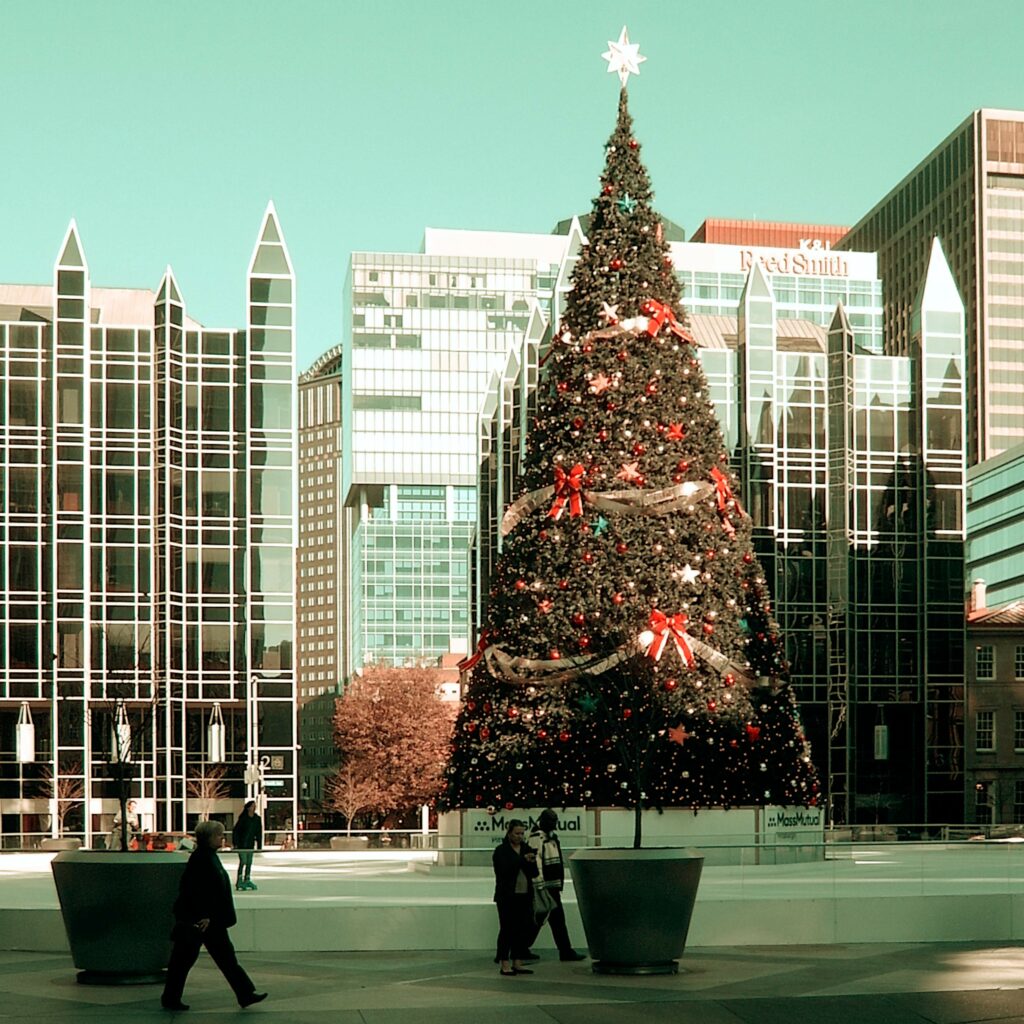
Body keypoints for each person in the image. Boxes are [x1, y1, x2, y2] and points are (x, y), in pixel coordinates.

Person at [161, 820, 267, 1011]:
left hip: (209, 920)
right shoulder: (202, 859)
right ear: (209, 838)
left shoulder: (207, 857)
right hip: (203, 921)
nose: (222, 838)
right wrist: (205, 915)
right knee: (186, 961)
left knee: (220, 959)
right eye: (219, 835)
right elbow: (196, 890)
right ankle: (171, 998)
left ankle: (245, 994)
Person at [527, 809, 586, 961]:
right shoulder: (538, 838)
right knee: (551, 919)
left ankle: (522, 947)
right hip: (545, 887)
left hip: (551, 886)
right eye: (551, 820)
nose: (553, 824)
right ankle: (564, 951)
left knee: (545, 919)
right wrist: (539, 884)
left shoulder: (550, 838)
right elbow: (536, 862)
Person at [492, 818, 538, 976]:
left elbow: (534, 873)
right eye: (517, 833)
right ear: (509, 833)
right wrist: (521, 861)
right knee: (507, 929)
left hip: (524, 894)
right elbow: (503, 871)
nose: (520, 836)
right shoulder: (501, 851)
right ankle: (504, 962)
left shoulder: (526, 849)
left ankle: (517, 961)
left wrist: (531, 862)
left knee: (522, 928)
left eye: (522, 833)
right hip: (507, 896)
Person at [231, 800, 263, 891]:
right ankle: (239, 880)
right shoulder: (243, 818)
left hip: (250, 845)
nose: (254, 807)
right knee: (243, 861)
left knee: (249, 863)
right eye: (252, 806)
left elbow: (258, 832)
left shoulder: (257, 819)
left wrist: (259, 846)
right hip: (242, 845)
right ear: (248, 808)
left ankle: (247, 879)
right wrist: (236, 843)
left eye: (255, 806)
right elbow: (236, 831)